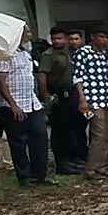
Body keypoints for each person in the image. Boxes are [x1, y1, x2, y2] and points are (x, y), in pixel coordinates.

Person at [0, 26, 53, 186]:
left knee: (40, 138)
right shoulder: (3, 54)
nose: (29, 35)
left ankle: (40, 175)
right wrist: (13, 104)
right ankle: (24, 177)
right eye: (26, 32)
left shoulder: (25, 53)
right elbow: (0, 81)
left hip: (32, 103)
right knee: (18, 143)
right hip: (14, 105)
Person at [72, 28, 108, 179]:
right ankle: (90, 169)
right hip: (91, 101)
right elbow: (77, 77)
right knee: (98, 134)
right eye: (101, 36)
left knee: (107, 135)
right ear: (93, 37)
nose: (104, 40)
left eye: (107, 37)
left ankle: (101, 165)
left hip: (105, 99)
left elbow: (105, 80)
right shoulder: (83, 52)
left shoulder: (104, 54)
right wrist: (82, 99)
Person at [38, 26, 80, 174]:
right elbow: (42, 76)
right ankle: (61, 164)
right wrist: (46, 96)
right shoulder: (48, 55)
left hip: (69, 94)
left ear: (66, 39)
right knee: (59, 131)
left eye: (59, 38)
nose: (56, 41)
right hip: (56, 95)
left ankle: (70, 160)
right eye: (54, 38)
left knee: (69, 129)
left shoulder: (68, 53)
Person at [65, 30, 89, 167]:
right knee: (74, 127)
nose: (73, 41)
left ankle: (85, 153)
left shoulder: (86, 55)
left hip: (88, 95)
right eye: (71, 39)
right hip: (72, 96)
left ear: (81, 40)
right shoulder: (67, 55)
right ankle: (77, 155)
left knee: (85, 125)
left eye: (76, 39)